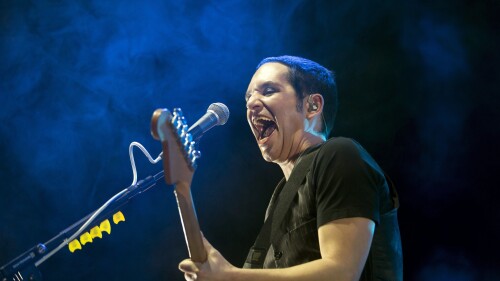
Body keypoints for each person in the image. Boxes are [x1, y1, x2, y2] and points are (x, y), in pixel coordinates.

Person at [179, 55, 403, 281]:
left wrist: (231, 277)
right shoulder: (280, 197)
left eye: (268, 91)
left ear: (312, 106)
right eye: (248, 97)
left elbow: (342, 273)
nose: (251, 104)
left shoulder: (339, 154)